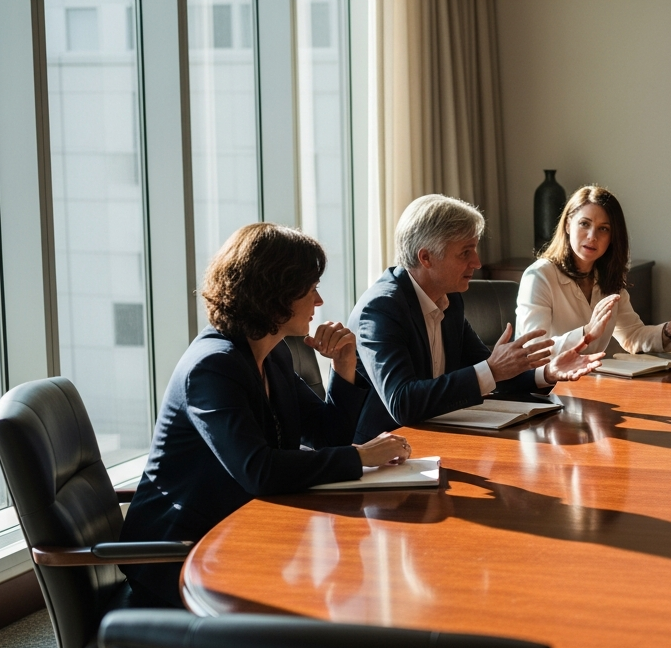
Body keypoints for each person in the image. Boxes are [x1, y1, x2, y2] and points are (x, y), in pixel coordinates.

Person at [120, 224, 412, 607]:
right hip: (181, 553)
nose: (319, 301)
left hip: (242, 532)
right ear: (276, 295)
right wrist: (359, 457)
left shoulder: (273, 354)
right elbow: (258, 471)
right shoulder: (212, 368)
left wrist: (344, 366)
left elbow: (327, 435)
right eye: (310, 289)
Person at [351, 194, 604, 442]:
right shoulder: (381, 309)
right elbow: (402, 402)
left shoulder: (449, 299)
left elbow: (492, 372)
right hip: (381, 451)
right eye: (465, 252)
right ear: (425, 257)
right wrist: (491, 370)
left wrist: (547, 372)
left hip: (439, 436)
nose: (477, 262)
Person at [517, 185, 671, 356]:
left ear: (613, 237)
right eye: (584, 224)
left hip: (590, 383)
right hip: (545, 389)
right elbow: (533, 350)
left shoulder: (607, 279)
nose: (592, 236)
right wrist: (586, 333)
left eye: (603, 229)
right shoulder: (539, 276)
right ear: (568, 225)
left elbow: (632, 336)